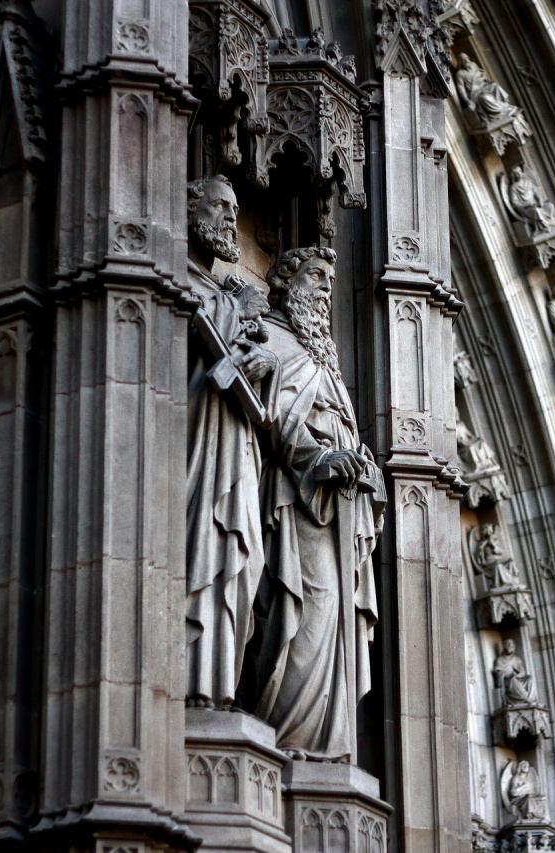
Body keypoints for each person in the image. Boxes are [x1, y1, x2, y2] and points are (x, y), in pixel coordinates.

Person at [248, 246, 384, 761]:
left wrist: (362, 468)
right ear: (287, 282)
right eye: (316, 277)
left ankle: (326, 742)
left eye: (331, 281)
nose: (327, 289)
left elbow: (343, 428)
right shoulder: (274, 338)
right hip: (296, 502)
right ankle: (289, 738)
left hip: (339, 510)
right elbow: (271, 414)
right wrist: (319, 458)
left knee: (334, 616)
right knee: (307, 607)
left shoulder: (324, 354)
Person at [185, 174, 278, 708]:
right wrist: (240, 312)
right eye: (220, 205)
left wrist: (261, 363)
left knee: (242, 563)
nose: (230, 219)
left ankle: (219, 685)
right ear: (189, 207)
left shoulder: (223, 293)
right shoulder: (174, 275)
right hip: (197, 447)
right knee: (201, 551)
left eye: (236, 208)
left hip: (236, 444)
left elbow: (237, 362)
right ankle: (193, 685)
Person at [455, 53, 521, 126]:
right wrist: (467, 100)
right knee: (484, 97)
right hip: (474, 93)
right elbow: (461, 88)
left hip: (483, 85)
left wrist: (483, 76)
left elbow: (481, 75)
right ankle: (500, 111)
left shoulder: (473, 65)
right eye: (464, 60)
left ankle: (505, 106)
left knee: (496, 87)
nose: (467, 61)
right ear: (460, 62)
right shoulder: (460, 73)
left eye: (467, 58)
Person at [505, 166, 555, 233]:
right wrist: (526, 205)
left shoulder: (528, 182)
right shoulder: (514, 187)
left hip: (535, 204)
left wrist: (539, 200)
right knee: (536, 211)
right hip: (526, 209)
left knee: (550, 206)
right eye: (515, 174)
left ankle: (551, 223)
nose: (518, 175)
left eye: (518, 173)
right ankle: (544, 227)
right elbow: (514, 203)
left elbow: (535, 193)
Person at [472, 522, 523, 588]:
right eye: (488, 530)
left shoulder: (494, 542)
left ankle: (513, 581)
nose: (490, 532)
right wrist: (486, 544)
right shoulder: (482, 543)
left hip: (497, 560)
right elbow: (479, 555)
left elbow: (499, 552)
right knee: (497, 565)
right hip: (489, 563)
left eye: (491, 530)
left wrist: (493, 545)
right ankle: (504, 582)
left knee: (510, 561)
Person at [492, 638, 539, 706]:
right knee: (512, 680)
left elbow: (522, 672)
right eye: (508, 645)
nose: (511, 646)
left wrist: (517, 675)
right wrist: (508, 675)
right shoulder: (500, 659)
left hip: (517, 679)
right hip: (508, 681)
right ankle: (525, 698)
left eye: (512, 645)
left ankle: (530, 698)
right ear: (504, 646)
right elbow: (498, 673)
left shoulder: (516, 659)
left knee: (529, 678)